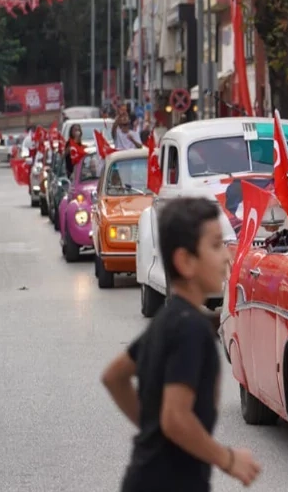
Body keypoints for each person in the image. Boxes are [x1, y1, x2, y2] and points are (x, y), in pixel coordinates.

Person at [101, 197, 262, 491]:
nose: (227, 256)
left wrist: (151, 429)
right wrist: (228, 459)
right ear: (186, 261)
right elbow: (175, 418)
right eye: (215, 246)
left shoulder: (168, 318)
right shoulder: (192, 328)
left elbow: (114, 376)